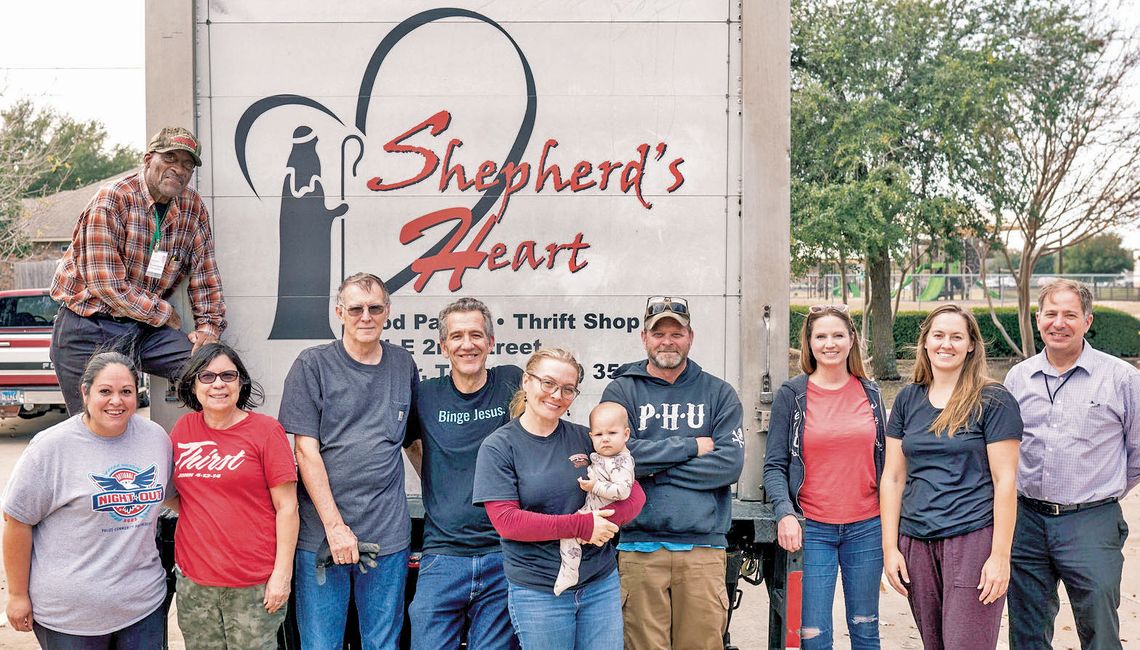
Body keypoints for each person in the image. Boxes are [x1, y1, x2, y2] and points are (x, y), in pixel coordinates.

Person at [279, 272, 419, 649]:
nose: (366, 316)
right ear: (340, 312)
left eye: (375, 308)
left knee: (382, 643)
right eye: (356, 308)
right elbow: (305, 452)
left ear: (388, 311)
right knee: (321, 644)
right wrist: (336, 528)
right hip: (323, 538)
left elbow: (412, 442)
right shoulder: (312, 365)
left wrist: (439, 500)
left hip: (388, 536)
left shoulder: (403, 364)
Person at [473, 348, 646, 650]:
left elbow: (634, 494)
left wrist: (604, 522)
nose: (557, 395)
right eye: (548, 383)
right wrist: (581, 526)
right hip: (540, 593)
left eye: (568, 389)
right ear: (526, 382)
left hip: (599, 586)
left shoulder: (585, 437)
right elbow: (508, 523)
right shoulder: (499, 447)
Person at [600, 295, 745, 650]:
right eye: (659, 333)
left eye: (676, 333)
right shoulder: (622, 390)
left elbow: (728, 465)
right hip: (638, 549)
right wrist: (692, 446)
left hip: (702, 549)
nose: (668, 341)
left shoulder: (719, 393)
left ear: (690, 337)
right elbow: (615, 457)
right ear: (644, 338)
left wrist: (650, 472)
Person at [49, 126, 225, 416]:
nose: (178, 169)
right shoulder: (112, 199)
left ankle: (215, 455)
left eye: (187, 164)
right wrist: (165, 314)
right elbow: (107, 285)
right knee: (93, 423)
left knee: (212, 371)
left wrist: (209, 328)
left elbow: (205, 273)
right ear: (148, 160)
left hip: (144, 330)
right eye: (170, 158)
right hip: (88, 326)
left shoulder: (192, 207)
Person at [1003, 279, 1139, 650]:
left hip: (1091, 522)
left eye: (1069, 314)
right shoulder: (1018, 377)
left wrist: (1099, 493)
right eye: (1050, 313)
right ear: (1038, 319)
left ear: (1087, 320)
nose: (1058, 322)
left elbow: (1138, 453)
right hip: (1026, 521)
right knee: (1027, 628)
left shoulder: (1122, 378)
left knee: (1099, 625)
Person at [2, 352, 170, 648]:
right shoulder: (51, 447)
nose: (116, 401)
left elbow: (172, 498)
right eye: (105, 391)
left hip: (143, 607)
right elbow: (17, 523)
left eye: (126, 392)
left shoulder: (155, 438)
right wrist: (17, 595)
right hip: (70, 618)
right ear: (85, 391)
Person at [880, 304, 1022, 650]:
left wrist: (999, 556)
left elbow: (1006, 481)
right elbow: (893, 478)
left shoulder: (993, 399)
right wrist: (890, 549)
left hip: (972, 539)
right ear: (925, 342)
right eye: (938, 335)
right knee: (935, 644)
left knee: (965, 644)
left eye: (957, 336)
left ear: (971, 345)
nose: (947, 344)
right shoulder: (907, 399)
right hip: (916, 541)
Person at [763, 304, 885, 649]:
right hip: (812, 528)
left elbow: (887, 464)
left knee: (865, 628)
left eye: (837, 335)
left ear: (851, 340)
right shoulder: (793, 395)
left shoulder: (871, 393)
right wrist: (785, 513)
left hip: (867, 527)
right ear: (809, 343)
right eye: (820, 336)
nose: (829, 343)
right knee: (813, 635)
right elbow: (774, 465)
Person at [403, 297, 522, 650]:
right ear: (443, 346)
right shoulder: (425, 395)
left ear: (491, 342)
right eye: (456, 336)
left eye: (475, 335)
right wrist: (442, 481)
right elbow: (411, 444)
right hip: (443, 554)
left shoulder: (512, 382)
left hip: (503, 552)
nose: (466, 344)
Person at [167, 342, 299, 649]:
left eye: (228, 376)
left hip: (253, 585)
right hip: (196, 584)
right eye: (207, 376)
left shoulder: (266, 431)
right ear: (193, 383)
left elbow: (288, 507)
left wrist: (282, 575)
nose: (218, 385)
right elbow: (179, 497)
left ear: (241, 382)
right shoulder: (183, 429)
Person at [554, 402, 635, 596]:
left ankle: (570, 572)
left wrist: (594, 486)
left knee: (571, 533)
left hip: (602, 513)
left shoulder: (622, 461)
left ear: (626, 434)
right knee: (568, 532)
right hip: (589, 508)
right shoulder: (600, 456)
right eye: (599, 435)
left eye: (612, 434)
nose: (605, 439)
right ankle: (569, 571)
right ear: (591, 437)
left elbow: (623, 491)